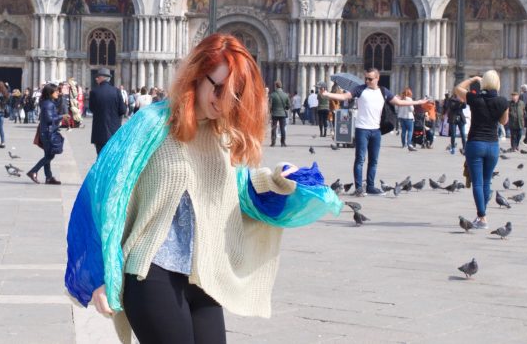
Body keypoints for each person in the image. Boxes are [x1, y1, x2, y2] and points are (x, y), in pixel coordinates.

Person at [65, 33, 341, 343]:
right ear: (196, 74)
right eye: (219, 88)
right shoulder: (152, 125)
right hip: (152, 271)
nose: (225, 101)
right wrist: (98, 271)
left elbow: (238, 190)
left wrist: (280, 180)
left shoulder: (221, 135)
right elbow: (103, 192)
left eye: (235, 94)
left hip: (204, 275)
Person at [320, 69, 427, 196]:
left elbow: (399, 102)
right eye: (366, 78)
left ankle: (370, 186)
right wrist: (327, 94)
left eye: (370, 79)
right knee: (360, 159)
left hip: (376, 130)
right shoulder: (359, 89)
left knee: (373, 160)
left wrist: (418, 102)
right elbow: (344, 97)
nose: (367, 81)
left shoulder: (383, 91)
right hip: (362, 129)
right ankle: (359, 188)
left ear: (377, 78)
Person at [455, 71, 509, 230]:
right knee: (487, 181)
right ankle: (482, 215)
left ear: (483, 83)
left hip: (475, 144)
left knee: (477, 183)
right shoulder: (502, 101)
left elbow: (457, 88)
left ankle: (482, 217)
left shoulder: (475, 98)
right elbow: (503, 121)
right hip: (492, 145)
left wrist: (473, 79)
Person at [28, 83, 64, 184]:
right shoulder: (48, 104)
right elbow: (49, 119)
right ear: (50, 92)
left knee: (48, 155)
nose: (58, 92)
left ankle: (49, 177)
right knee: (49, 156)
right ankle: (33, 171)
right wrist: (62, 117)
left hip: (46, 132)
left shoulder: (48, 102)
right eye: (56, 91)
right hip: (48, 133)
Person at [89, 67, 126, 158]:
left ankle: (100, 172)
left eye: (98, 77)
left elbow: (91, 108)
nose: (96, 78)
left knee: (101, 157)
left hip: (99, 131)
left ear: (102, 77)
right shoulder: (116, 91)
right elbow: (123, 110)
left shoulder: (94, 92)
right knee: (112, 157)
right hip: (114, 130)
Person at [268, 81, 289, 147]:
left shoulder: (272, 95)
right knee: (282, 128)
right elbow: (289, 106)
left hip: (274, 114)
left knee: (274, 128)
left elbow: (270, 105)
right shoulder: (285, 95)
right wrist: (285, 108)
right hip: (282, 114)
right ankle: (283, 143)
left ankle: (273, 142)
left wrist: (270, 111)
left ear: (275, 86)